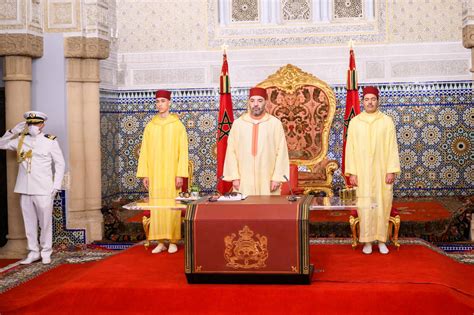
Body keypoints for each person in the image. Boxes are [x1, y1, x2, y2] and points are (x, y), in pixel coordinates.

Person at [0, 111, 65, 264]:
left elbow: (60, 164)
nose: (32, 126)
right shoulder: (21, 140)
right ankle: (33, 251)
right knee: (29, 222)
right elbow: (1, 144)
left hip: (44, 188)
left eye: (35, 123)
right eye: (30, 124)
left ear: (42, 125)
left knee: (45, 222)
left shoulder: (50, 141)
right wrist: (13, 131)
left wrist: (56, 186)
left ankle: (46, 251)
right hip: (25, 188)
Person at [344, 86, 400, 255]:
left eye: (373, 99)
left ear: (378, 101)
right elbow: (350, 148)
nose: (370, 102)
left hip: (382, 170)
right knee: (365, 205)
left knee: (382, 204)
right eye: (367, 99)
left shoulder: (386, 121)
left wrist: (391, 170)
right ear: (362, 101)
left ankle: (382, 240)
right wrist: (352, 172)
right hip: (362, 172)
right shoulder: (355, 122)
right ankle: (367, 241)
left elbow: (392, 147)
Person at [136, 90, 189, 254]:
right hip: (155, 173)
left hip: (172, 173)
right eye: (157, 101)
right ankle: (160, 241)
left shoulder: (177, 125)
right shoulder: (150, 126)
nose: (160, 104)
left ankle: (173, 240)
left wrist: (180, 174)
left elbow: (183, 151)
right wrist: (145, 173)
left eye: (163, 101)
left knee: (172, 206)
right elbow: (144, 151)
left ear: (169, 103)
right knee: (157, 206)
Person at [223, 87, 289, 195]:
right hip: (243, 179)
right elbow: (231, 152)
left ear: (266, 103)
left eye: (260, 100)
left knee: (268, 210)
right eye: (252, 100)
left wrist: (277, 178)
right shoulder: (238, 124)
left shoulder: (274, 123)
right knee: (245, 209)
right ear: (249, 102)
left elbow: (282, 152)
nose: (256, 104)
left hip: (268, 179)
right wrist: (234, 177)